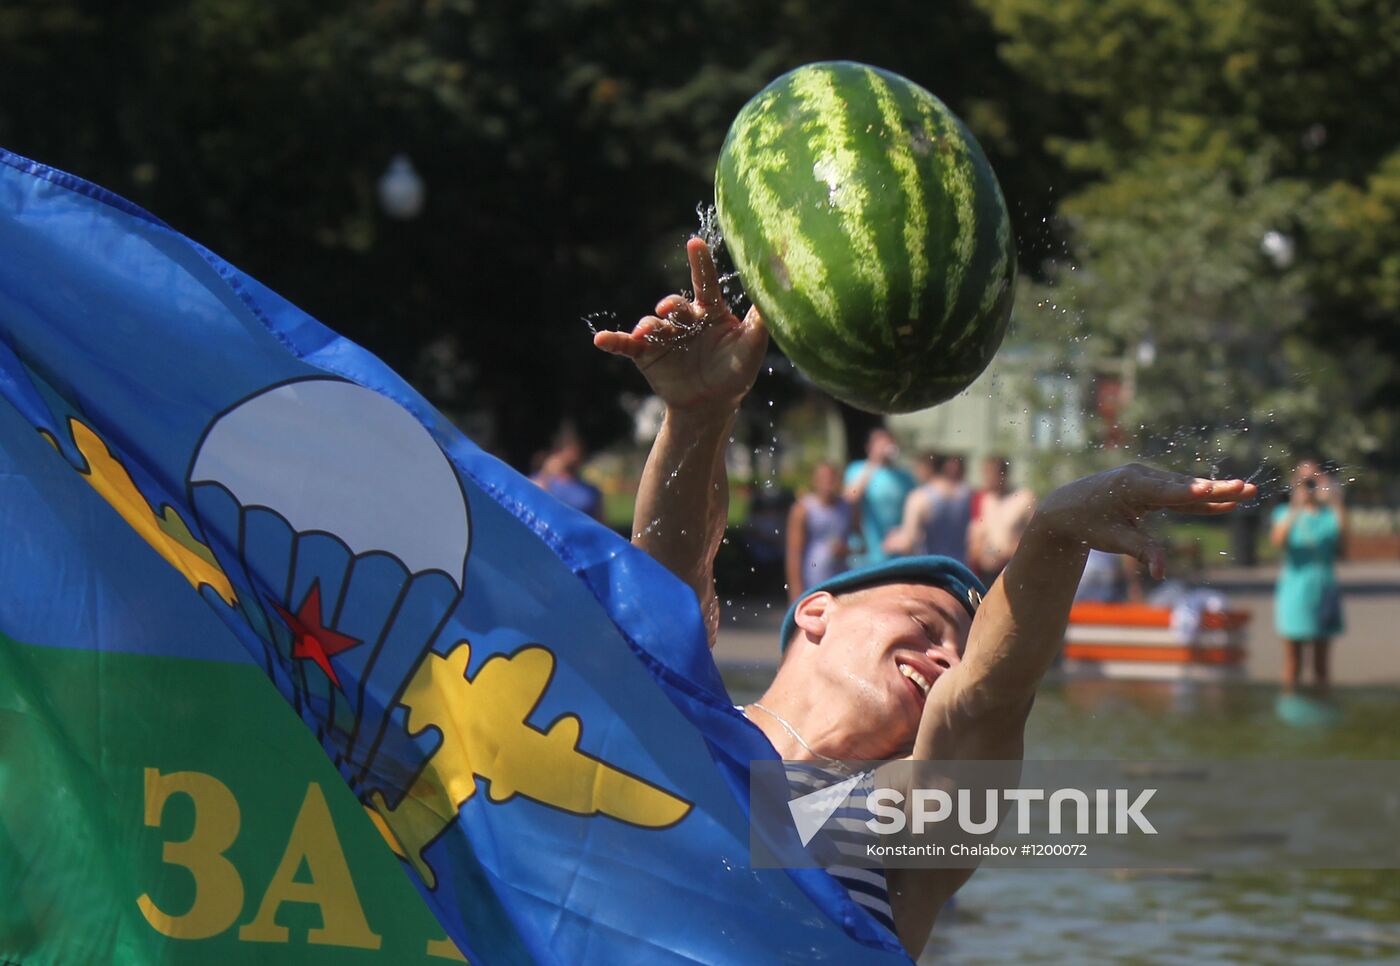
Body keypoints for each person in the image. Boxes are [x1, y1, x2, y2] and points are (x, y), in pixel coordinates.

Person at [593, 237, 1256, 955]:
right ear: (816, 610)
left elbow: (985, 699)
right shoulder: (683, 732)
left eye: (960, 653)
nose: (947, 659)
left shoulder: (901, 823)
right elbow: (662, 604)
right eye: (927, 621)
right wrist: (700, 417)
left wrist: (1054, 537)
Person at [1270, 460, 1346, 694]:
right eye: (1304, 481)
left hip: (1323, 588)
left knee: (1321, 665)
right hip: (1294, 590)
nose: (1309, 486)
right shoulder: (1284, 513)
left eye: (1313, 480)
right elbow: (1278, 541)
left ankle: (1322, 708)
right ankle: (1291, 707)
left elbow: (1343, 536)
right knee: (1293, 662)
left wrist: (1331, 493)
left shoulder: (1328, 515)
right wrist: (1296, 505)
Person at [842, 428, 916, 568]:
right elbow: (850, 498)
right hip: (865, 554)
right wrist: (874, 462)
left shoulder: (904, 476)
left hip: (895, 553)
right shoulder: (856, 469)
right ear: (869, 447)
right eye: (880, 443)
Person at [884, 453, 973, 563]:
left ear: (926, 468)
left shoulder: (919, 498)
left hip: (933, 568)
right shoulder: (964, 495)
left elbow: (909, 544)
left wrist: (892, 542)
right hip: (959, 567)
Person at [785, 462, 854, 602]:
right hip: (812, 580)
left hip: (841, 579)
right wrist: (796, 594)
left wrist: (847, 549)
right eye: (823, 479)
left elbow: (862, 544)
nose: (828, 483)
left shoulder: (847, 507)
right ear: (814, 480)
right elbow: (794, 554)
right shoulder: (803, 509)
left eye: (831, 479)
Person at [968, 455, 1036, 586]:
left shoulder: (1023, 498)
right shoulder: (982, 500)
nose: (988, 478)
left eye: (992, 473)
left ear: (1003, 474)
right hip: (986, 572)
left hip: (1013, 569)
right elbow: (975, 539)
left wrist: (1008, 552)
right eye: (986, 473)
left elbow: (1034, 536)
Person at [531, 433, 605, 521]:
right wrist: (546, 472)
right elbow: (530, 502)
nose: (575, 457)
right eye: (571, 451)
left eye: (579, 452)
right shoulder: (541, 481)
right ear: (558, 453)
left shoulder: (591, 491)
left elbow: (601, 522)